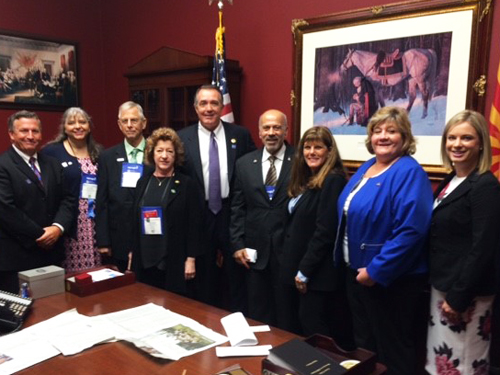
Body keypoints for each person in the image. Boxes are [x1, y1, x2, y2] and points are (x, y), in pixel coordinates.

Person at [335, 106, 433, 375]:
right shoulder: (368, 166)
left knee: (391, 351)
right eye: (377, 131)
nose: (383, 136)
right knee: (366, 348)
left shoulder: (409, 172)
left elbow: (411, 231)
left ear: (405, 137)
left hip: (389, 280)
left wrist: (376, 271)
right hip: (357, 274)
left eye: (392, 131)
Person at [426, 110, 500, 375]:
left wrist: (458, 297)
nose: (457, 144)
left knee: (463, 362)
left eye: (466, 138)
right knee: (443, 358)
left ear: (481, 143)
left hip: (466, 294)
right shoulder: (452, 180)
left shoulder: (485, 186)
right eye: (452, 138)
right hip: (443, 286)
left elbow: (483, 248)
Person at [178, 84, 256, 310]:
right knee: (204, 275)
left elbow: (251, 173)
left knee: (236, 275)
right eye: (203, 103)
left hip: (231, 213)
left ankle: (239, 322)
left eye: (214, 103)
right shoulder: (182, 138)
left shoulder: (240, 135)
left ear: (222, 107)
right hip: (199, 216)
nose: (209, 108)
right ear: (196, 108)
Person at [280, 126, 353, 348]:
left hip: (318, 274)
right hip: (300, 268)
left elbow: (325, 232)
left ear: (329, 151)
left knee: (317, 331)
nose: (311, 152)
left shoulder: (333, 180)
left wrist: (304, 272)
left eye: (318, 147)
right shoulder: (307, 180)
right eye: (307, 147)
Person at [0, 111, 76, 293]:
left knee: (57, 309)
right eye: (24, 131)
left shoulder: (52, 164)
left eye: (35, 131)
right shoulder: (3, 165)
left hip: (52, 255)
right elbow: (6, 209)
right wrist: (41, 235)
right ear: (11, 134)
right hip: (17, 256)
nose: (30, 136)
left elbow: (68, 199)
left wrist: (57, 228)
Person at [230, 109, 294, 326]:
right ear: (259, 132)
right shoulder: (245, 163)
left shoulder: (300, 161)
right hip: (254, 252)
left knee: (287, 312)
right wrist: (237, 244)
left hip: (287, 250)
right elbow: (237, 207)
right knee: (258, 312)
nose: (271, 132)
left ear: (285, 130)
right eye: (266, 128)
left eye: (277, 127)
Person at [130, 127, 203, 296]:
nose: (164, 156)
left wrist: (191, 259)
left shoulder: (186, 185)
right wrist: (132, 253)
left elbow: (194, 225)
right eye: (160, 150)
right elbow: (134, 221)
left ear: (176, 155)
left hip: (173, 258)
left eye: (169, 151)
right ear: (152, 153)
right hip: (145, 256)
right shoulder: (143, 182)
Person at [41, 107, 103, 272]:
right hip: (69, 220)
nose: (78, 126)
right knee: (71, 273)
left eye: (82, 122)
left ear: (89, 126)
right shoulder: (51, 152)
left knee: (98, 272)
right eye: (72, 123)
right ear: (64, 127)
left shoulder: (99, 152)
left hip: (96, 219)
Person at [95, 101, 147, 271]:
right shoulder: (107, 157)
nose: (130, 125)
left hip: (150, 232)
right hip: (119, 236)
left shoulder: (158, 153)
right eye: (125, 121)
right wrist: (103, 240)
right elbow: (101, 201)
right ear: (119, 124)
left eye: (134, 120)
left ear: (144, 123)